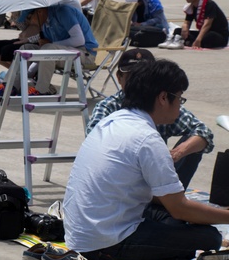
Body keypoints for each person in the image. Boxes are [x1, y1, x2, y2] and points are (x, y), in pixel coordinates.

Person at [64, 59, 229, 260]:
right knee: (210, 237)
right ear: (163, 98)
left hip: (79, 233)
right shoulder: (147, 138)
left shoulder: (112, 120)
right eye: (179, 98)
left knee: (176, 219)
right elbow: (180, 208)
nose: (180, 105)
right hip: (104, 245)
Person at [87, 49, 214, 189]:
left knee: (193, 144)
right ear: (119, 77)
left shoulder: (162, 104)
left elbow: (203, 131)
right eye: (131, 76)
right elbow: (95, 145)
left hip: (155, 178)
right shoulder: (108, 108)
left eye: (144, 77)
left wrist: (178, 152)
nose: (138, 82)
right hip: (123, 183)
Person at [160, 0, 228, 50]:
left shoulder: (209, 4)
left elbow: (207, 25)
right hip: (204, 33)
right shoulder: (192, 6)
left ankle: (189, 42)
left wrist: (198, 39)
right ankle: (181, 41)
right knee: (178, 30)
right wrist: (185, 28)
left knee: (209, 37)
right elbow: (187, 21)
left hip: (218, 35)